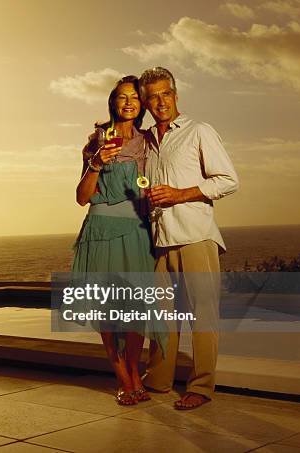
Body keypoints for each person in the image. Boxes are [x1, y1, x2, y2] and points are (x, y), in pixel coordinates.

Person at [139, 67, 239, 410]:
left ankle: (201, 387)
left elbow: (228, 180)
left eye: (166, 93)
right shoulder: (147, 142)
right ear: (145, 101)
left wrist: (180, 194)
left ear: (176, 94)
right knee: (161, 318)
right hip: (160, 241)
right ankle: (158, 380)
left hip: (196, 236)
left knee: (203, 315)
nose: (160, 101)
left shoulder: (199, 131)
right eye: (152, 96)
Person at [71, 75, 167, 406]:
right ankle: (124, 379)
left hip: (138, 232)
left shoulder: (148, 142)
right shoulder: (96, 140)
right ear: (113, 101)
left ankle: (134, 370)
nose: (129, 102)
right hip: (100, 230)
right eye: (123, 96)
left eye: (135, 98)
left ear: (141, 106)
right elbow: (82, 197)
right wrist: (96, 163)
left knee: (138, 310)